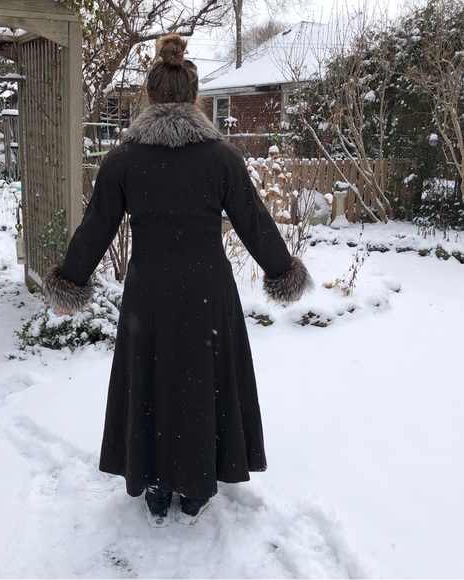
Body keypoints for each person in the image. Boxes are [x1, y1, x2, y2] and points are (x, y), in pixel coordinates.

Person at [43, 34, 313, 527]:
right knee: (199, 383)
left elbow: (96, 226)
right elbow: (255, 222)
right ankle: (194, 487)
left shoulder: (123, 159)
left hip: (148, 294)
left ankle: (155, 486)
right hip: (208, 294)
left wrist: (70, 282)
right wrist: (282, 273)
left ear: (148, 95)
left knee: (152, 381)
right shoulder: (222, 158)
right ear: (195, 98)